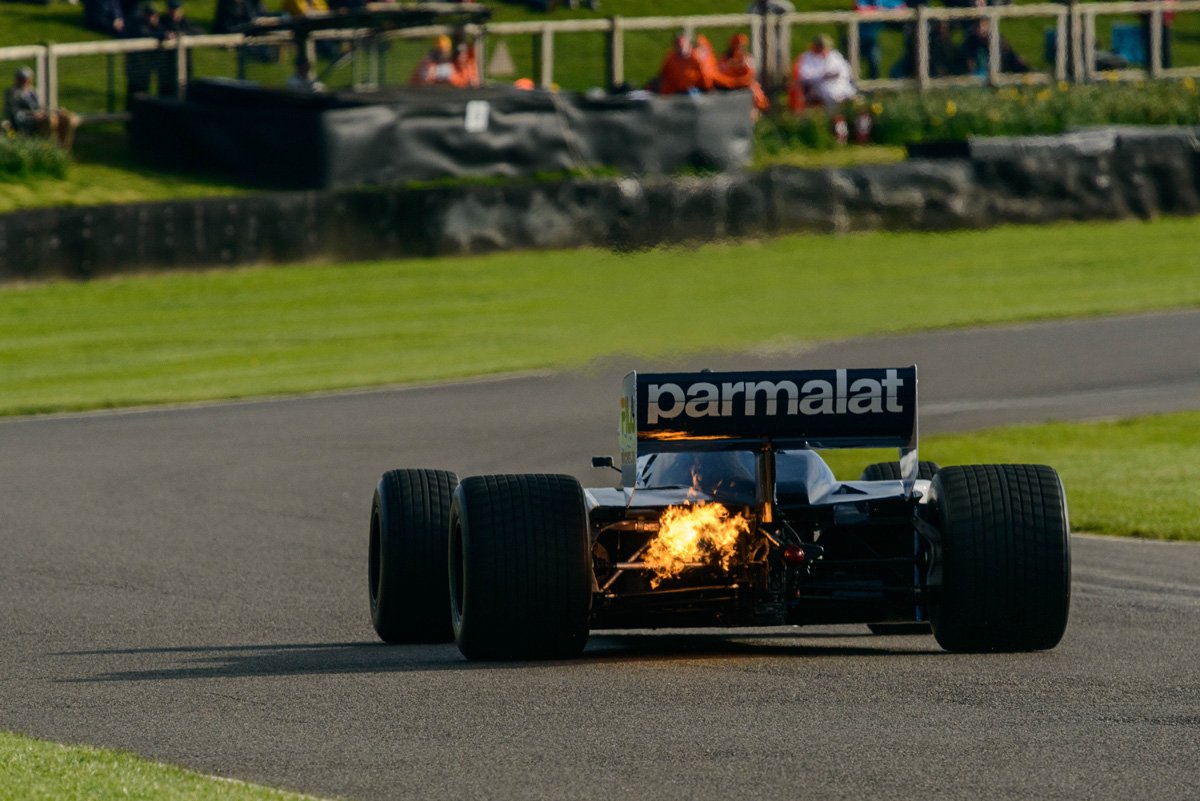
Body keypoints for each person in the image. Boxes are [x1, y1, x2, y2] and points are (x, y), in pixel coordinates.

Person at [4, 67, 80, 151]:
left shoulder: (33, 92)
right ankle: (47, 150)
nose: (24, 81)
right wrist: (33, 115)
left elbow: (41, 107)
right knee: (49, 120)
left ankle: (64, 150)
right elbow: (14, 113)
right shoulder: (13, 93)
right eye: (22, 79)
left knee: (66, 118)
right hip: (26, 121)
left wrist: (55, 110)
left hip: (41, 116)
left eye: (26, 79)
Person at [792, 34, 855, 110]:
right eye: (821, 47)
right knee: (831, 94)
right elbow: (803, 76)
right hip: (818, 86)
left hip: (839, 83)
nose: (823, 49)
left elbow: (846, 70)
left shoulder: (835, 55)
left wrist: (838, 75)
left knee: (850, 93)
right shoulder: (807, 57)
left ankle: (847, 113)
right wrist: (823, 76)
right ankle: (832, 114)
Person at [125, 3, 167, 104]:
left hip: (145, 67)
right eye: (150, 14)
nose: (152, 17)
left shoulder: (155, 25)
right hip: (136, 66)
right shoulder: (137, 22)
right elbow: (144, 33)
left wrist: (158, 28)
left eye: (154, 15)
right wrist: (161, 35)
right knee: (135, 92)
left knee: (144, 92)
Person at [715, 33, 769, 112]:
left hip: (742, 83)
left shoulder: (747, 59)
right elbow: (719, 75)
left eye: (741, 45)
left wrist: (740, 80)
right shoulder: (724, 60)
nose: (739, 48)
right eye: (737, 45)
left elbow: (750, 76)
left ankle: (759, 109)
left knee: (755, 88)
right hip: (726, 84)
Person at [855, 0, 906, 81]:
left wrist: (878, 10)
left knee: (876, 62)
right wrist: (883, 10)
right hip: (860, 37)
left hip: (880, 36)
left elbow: (902, 9)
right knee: (855, 65)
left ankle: (878, 85)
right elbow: (860, 9)